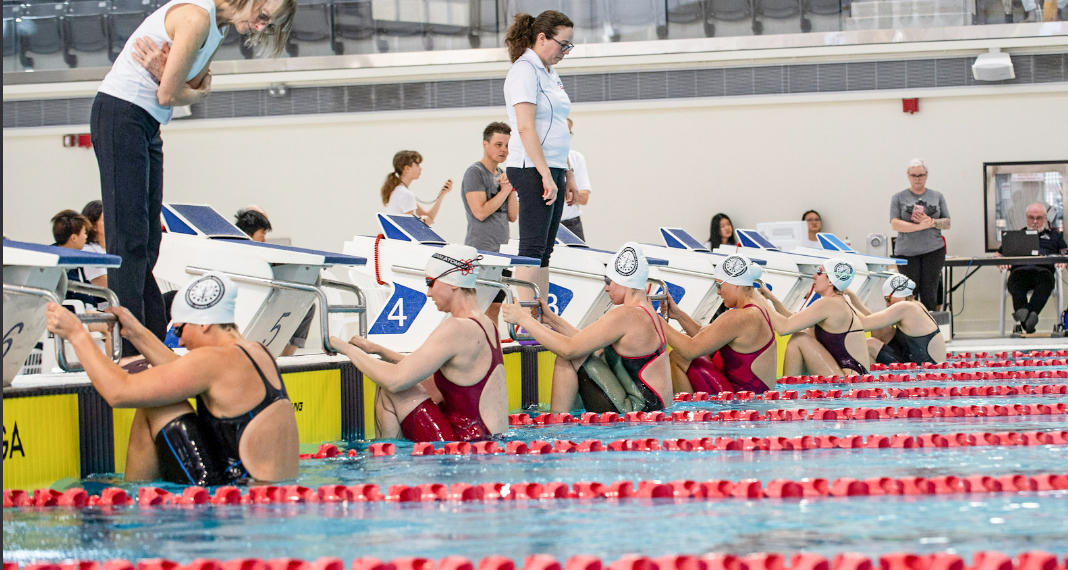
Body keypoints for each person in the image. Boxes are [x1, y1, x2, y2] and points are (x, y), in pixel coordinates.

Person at [91, 0, 295, 359]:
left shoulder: (218, 27)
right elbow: (175, 93)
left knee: (150, 239)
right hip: (121, 113)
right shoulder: (196, 17)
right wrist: (193, 90)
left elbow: (182, 84)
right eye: (263, 16)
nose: (261, 27)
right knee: (129, 238)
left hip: (147, 121)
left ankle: (150, 335)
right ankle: (129, 350)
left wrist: (174, 76)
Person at [45, 271, 299, 485]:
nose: (179, 340)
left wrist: (76, 333)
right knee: (161, 393)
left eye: (179, 329)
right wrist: (136, 333)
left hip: (235, 503)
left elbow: (119, 393)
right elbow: (182, 373)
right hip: (267, 501)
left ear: (204, 324)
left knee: (155, 402)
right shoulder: (255, 352)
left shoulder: (213, 360)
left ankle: (132, 506)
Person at [329, 244, 507, 442]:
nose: (428, 293)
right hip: (489, 445)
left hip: (464, 450)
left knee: (390, 390)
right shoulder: (486, 324)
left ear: (453, 283)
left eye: (430, 282)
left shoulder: (457, 327)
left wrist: (343, 348)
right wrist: (380, 350)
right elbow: (426, 373)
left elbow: (395, 381)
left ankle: (387, 462)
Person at [501, 243, 672, 414]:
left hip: (637, 412)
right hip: (654, 410)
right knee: (581, 353)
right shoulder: (646, 312)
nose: (606, 288)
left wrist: (522, 318)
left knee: (568, 358)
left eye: (608, 281)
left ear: (622, 281)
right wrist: (551, 319)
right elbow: (586, 343)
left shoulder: (626, 315)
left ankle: (555, 426)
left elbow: (570, 350)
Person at [504, 10, 576, 308]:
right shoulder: (524, 70)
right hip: (531, 168)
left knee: (546, 249)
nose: (566, 51)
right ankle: (525, 320)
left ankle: (541, 312)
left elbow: (559, 127)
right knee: (532, 247)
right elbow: (525, 126)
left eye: (570, 46)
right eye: (563, 44)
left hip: (552, 167)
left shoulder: (549, 72)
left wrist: (567, 172)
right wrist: (546, 173)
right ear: (542, 38)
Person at [661, 254, 777, 394]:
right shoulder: (757, 311)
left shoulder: (739, 317)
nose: (718, 292)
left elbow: (690, 350)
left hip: (741, 405)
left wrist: (655, 319)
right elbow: (706, 337)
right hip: (755, 400)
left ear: (735, 284)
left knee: (679, 357)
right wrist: (678, 315)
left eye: (719, 285)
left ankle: (688, 412)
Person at [759, 258, 870, 376]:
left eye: (819, 272)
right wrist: (771, 299)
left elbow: (783, 329)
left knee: (799, 338)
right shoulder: (840, 301)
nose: (813, 276)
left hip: (847, 383)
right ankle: (792, 387)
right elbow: (794, 320)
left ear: (831, 281)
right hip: (856, 379)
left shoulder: (828, 303)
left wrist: (759, 300)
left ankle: (789, 389)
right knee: (807, 332)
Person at [233, 205, 313, 356]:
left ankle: (286, 355)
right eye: (261, 235)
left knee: (308, 303)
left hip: (266, 292)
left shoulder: (259, 252)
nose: (264, 240)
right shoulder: (239, 253)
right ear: (248, 234)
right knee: (304, 301)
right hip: (255, 297)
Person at [462, 121, 519, 324]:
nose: (504, 150)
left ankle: (492, 352)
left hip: (501, 252)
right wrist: (504, 191)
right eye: (498, 144)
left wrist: (510, 188)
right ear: (485, 145)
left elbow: (513, 215)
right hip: (482, 250)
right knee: (478, 308)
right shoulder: (475, 173)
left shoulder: (503, 174)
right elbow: (480, 212)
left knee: (495, 306)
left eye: (506, 145)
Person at [890, 159, 951, 311]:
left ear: (926, 175)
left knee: (930, 291)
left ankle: (929, 327)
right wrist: (918, 226)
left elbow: (947, 222)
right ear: (908, 176)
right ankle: (910, 327)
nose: (917, 178)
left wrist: (930, 222)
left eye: (921, 175)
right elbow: (895, 223)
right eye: (914, 175)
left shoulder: (937, 196)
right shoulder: (898, 197)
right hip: (907, 252)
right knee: (910, 291)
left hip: (933, 250)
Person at [844, 274, 946, 365]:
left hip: (926, 370)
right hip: (916, 358)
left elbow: (865, 324)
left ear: (898, 294)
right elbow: (873, 321)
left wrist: (844, 301)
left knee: (869, 344)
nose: (887, 304)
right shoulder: (915, 304)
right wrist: (851, 296)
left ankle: (873, 379)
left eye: (888, 299)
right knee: (880, 328)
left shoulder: (905, 307)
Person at [997, 203, 1067, 334]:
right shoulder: (1017, 235)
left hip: (1043, 272)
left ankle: (1024, 314)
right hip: (1020, 272)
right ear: (1026, 218)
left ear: (1045, 218)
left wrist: (1064, 263)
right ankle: (1030, 317)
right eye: (1031, 217)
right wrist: (1002, 262)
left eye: (1039, 218)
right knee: (1014, 282)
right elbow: (998, 255)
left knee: (1046, 282)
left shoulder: (1055, 236)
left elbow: (1066, 254)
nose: (1035, 222)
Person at [381, 150, 453, 225]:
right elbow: (410, 227)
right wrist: (423, 221)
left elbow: (429, 217)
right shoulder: (406, 194)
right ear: (407, 169)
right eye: (417, 165)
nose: (420, 168)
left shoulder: (399, 191)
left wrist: (441, 195)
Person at [51, 209, 98, 306]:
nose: (86, 237)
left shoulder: (70, 256)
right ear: (74, 238)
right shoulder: (62, 261)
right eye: (84, 233)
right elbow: (78, 293)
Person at [560, 118, 592, 242]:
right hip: (544, 224)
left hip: (571, 226)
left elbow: (583, 198)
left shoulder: (576, 158)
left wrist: (556, 191)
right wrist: (569, 193)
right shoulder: (538, 157)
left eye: (568, 133)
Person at [81, 200, 108, 287]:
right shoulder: (89, 251)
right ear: (93, 225)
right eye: (105, 220)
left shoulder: (115, 249)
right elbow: (104, 284)